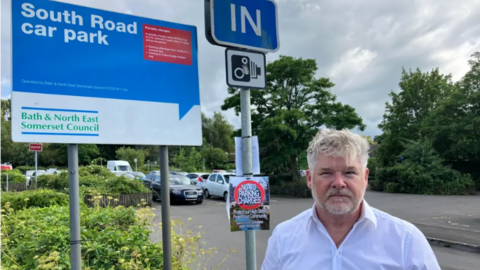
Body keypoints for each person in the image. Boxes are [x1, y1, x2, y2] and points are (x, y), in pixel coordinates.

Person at [262, 129, 440, 270]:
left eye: (349, 172)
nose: (339, 183)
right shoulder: (283, 237)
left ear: (365, 177)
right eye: (326, 173)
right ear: (309, 178)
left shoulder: (406, 241)